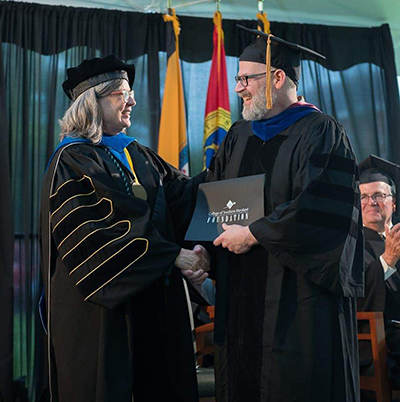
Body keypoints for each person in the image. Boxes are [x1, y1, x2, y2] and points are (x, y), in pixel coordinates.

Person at [206, 26, 364, 402]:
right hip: (242, 291)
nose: (239, 87)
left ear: (277, 77)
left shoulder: (321, 132)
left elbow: (322, 208)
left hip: (299, 300)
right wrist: (203, 248)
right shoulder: (238, 136)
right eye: (238, 78)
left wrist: (255, 234)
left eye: (247, 78)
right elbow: (214, 197)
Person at [39, 55, 209, 402]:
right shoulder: (71, 160)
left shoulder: (139, 154)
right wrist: (172, 255)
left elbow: (183, 198)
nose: (132, 100)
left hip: (155, 303)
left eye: (130, 92)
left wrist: (204, 243)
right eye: (121, 93)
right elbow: (99, 232)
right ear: (92, 102)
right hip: (102, 314)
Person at [357, 155, 400, 390]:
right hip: (383, 339)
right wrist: (387, 260)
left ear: (393, 203)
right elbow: (357, 294)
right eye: (364, 196)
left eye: (379, 195)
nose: (371, 202)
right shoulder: (350, 245)